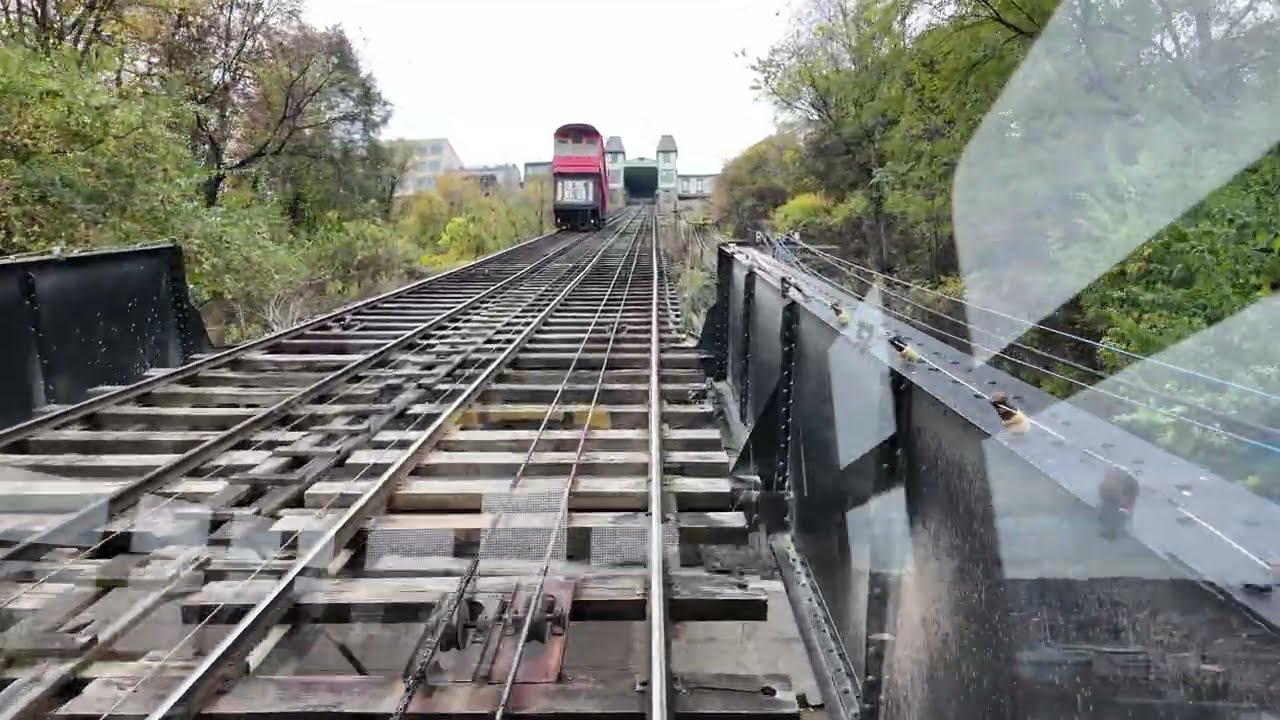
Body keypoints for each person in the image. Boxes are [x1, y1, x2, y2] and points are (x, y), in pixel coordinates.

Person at [1098, 466, 1139, 540]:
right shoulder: (1119, 482)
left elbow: (1129, 500)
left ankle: (1113, 532)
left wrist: (1125, 507)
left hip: (1124, 502)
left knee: (1118, 516)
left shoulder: (1130, 484)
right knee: (1113, 513)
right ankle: (1113, 530)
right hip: (1120, 500)